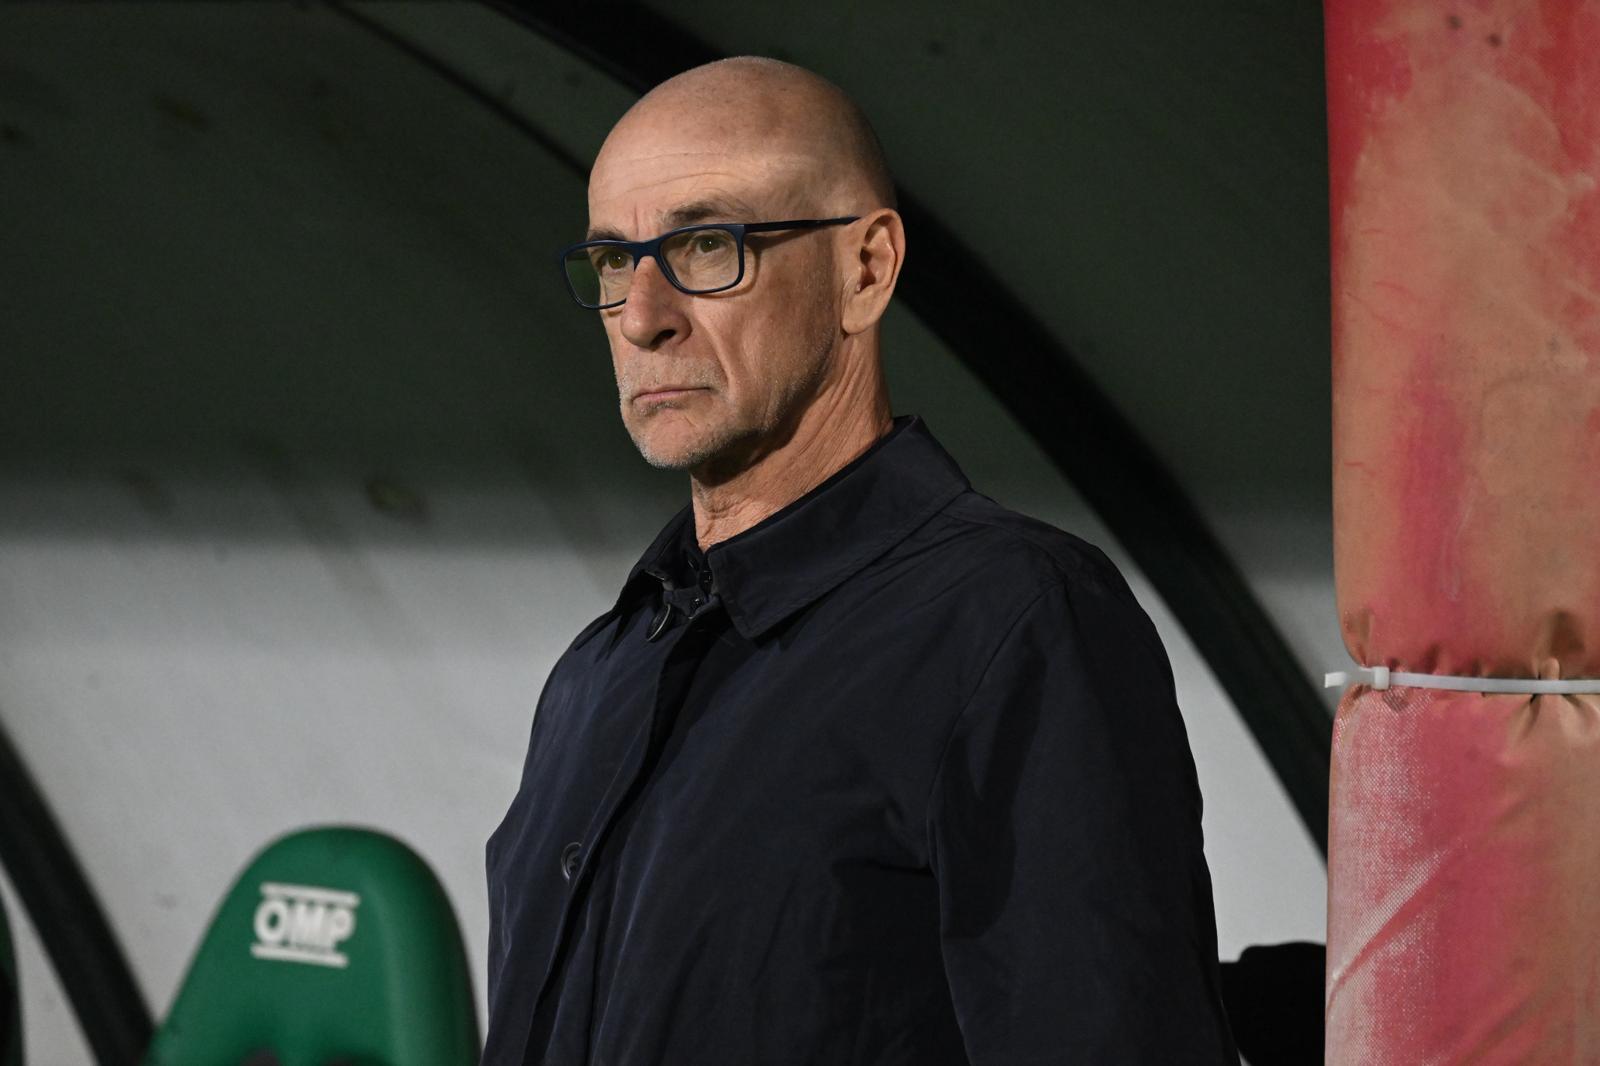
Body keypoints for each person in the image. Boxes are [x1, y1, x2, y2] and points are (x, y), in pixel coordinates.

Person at [483, 56, 1238, 1066]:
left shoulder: (1014, 624)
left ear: (866, 269)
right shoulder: (599, 669)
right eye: (614, 259)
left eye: (706, 245)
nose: (641, 315)